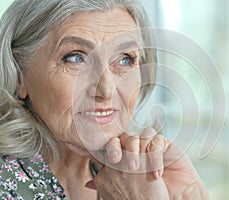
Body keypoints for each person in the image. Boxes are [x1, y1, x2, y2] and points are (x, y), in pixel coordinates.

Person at [0, 0, 209, 199]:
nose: (107, 90)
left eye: (125, 59)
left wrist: (190, 195)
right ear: (20, 74)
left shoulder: (139, 179)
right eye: (75, 57)